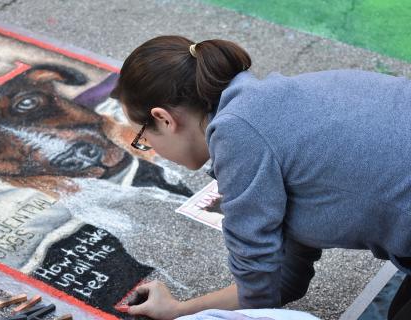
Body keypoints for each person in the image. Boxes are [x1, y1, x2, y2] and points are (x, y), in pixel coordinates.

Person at [110, 35, 411, 320]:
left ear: (164, 118)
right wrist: (179, 310)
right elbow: (280, 281)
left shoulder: (237, 136)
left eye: (142, 136)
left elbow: (257, 298)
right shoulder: (266, 107)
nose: (148, 147)